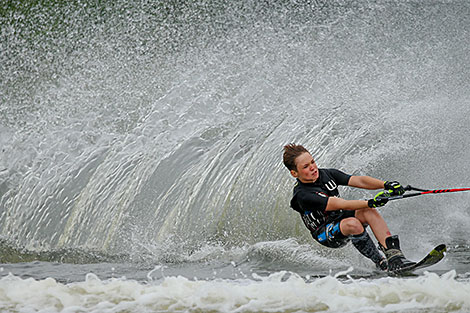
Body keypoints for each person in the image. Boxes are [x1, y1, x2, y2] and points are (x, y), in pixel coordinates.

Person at [282, 143, 415, 271]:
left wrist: (387, 184)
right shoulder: (303, 195)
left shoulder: (327, 174)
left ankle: (395, 257)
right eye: (305, 166)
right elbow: (341, 204)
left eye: (312, 162)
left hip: (339, 217)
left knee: (368, 211)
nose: (312, 167)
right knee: (353, 223)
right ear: (294, 173)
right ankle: (381, 262)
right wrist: (371, 201)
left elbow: (359, 180)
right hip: (325, 233)